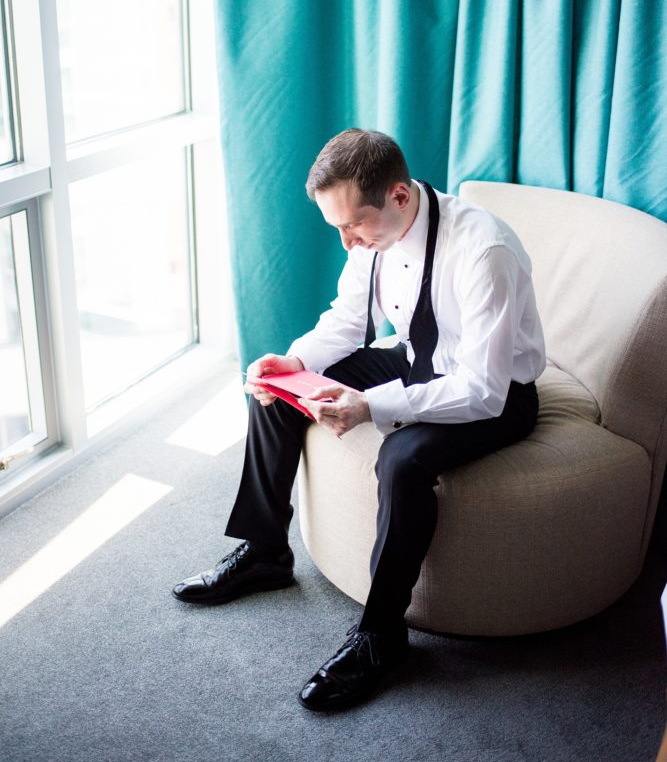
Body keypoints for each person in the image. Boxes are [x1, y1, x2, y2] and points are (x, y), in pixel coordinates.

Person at [173, 128, 546, 711]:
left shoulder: (482, 250)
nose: (348, 242)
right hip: (416, 360)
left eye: (355, 225)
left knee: (401, 457)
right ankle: (266, 550)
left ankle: (381, 636)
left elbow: (482, 389)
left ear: (400, 196)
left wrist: (372, 405)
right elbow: (349, 321)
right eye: (338, 228)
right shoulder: (372, 239)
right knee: (276, 389)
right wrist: (294, 362)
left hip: (498, 394)